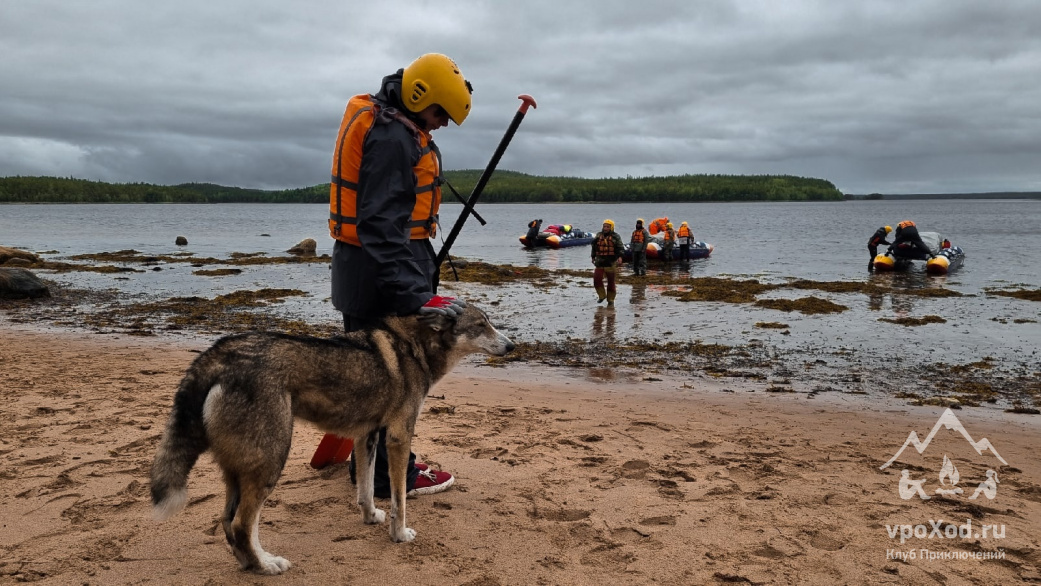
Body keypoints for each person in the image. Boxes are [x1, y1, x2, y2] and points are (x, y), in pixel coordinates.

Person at [326, 53, 472, 498]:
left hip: (365, 274)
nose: (442, 123)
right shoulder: (392, 137)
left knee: (371, 386)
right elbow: (379, 226)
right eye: (438, 113)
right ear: (417, 95)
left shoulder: (388, 119)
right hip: (382, 279)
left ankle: (372, 472)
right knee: (394, 388)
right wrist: (415, 297)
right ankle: (393, 479)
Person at [591, 219, 625, 306]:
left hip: (610, 261)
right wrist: (593, 256)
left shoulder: (616, 236)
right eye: (604, 226)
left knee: (611, 282)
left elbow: (620, 247)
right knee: (597, 280)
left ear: (611, 227)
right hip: (599, 261)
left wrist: (620, 257)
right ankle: (602, 296)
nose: (605, 228)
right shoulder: (599, 235)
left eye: (607, 227)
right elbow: (594, 246)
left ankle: (611, 300)